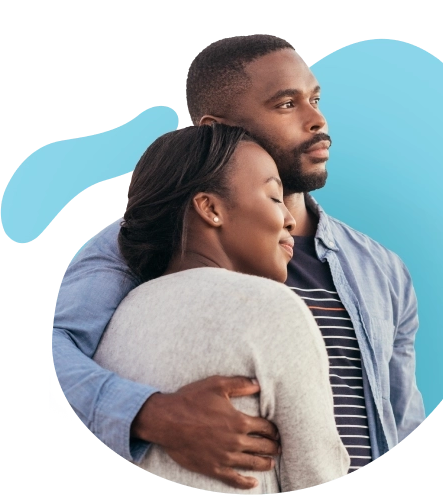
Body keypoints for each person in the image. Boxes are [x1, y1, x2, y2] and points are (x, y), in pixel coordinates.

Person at [52, 34, 426, 491]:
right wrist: (150, 413)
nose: (317, 119)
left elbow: (402, 418)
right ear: (218, 127)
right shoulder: (145, 238)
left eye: (315, 98)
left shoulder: (382, 269)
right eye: (286, 105)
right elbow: (50, 356)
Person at [92, 123, 350, 494]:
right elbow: (320, 480)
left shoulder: (114, 322)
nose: (291, 220)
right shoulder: (272, 309)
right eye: (275, 197)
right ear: (211, 208)